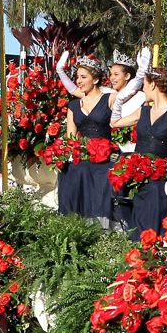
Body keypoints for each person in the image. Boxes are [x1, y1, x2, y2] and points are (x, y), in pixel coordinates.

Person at [111, 67, 167, 240]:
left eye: (145, 84)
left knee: (154, 194)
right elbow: (114, 123)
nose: (143, 88)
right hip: (138, 172)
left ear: (153, 84)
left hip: (161, 177)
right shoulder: (143, 111)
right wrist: (120, 100)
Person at [57, 57, 116, 224]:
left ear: (95, 79)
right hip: (83, 155)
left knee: (92, 171)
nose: (79, 81)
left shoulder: (109, 99)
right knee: (71, 169)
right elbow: (71, 138)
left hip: (105, 156)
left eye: (83, 77)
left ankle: (100, 222)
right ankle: (72, 221)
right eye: (77, 77)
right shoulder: (74, 106)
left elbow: (130, 96)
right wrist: (68, 154)